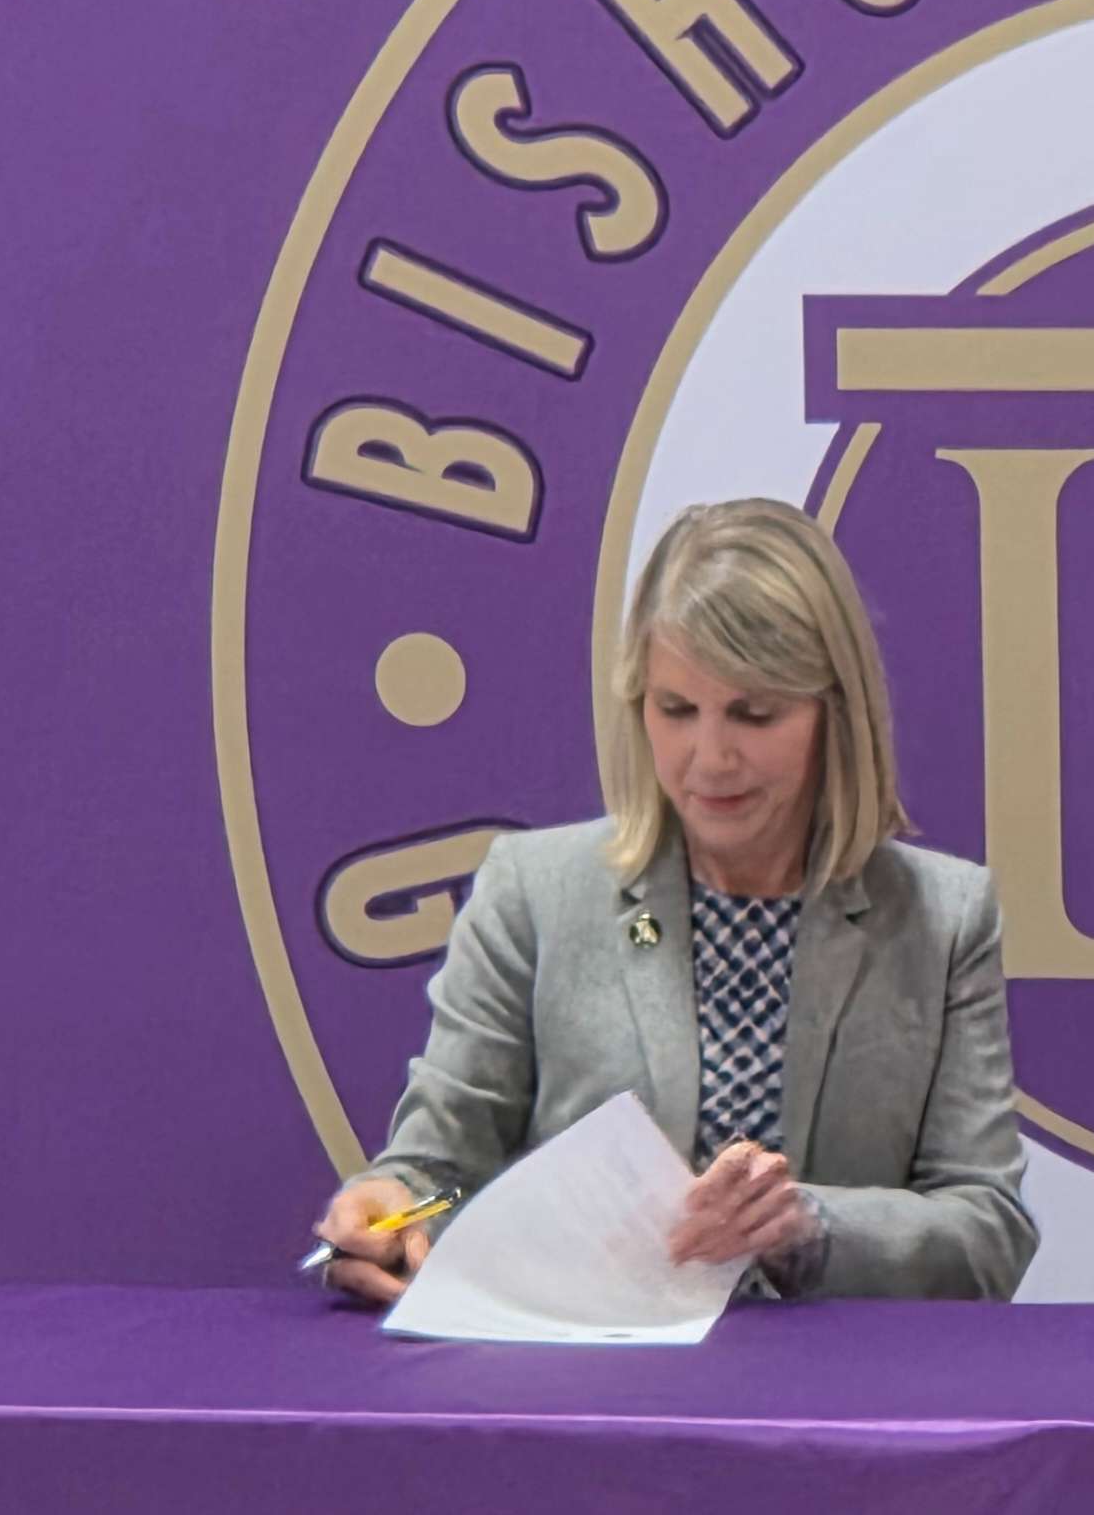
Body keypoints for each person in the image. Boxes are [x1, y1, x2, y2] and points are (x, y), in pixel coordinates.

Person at [315, 498, 1035, 1307]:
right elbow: (446, 1177)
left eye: (754, 714)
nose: (710, 757)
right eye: (676, 711)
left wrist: (807, 1225)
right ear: (636, 706)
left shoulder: (944, 918)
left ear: (836, 717)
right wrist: (396, 1209)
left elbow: (987, 1236)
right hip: (595, 1391)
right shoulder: (534, 895)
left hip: (842, 1404)